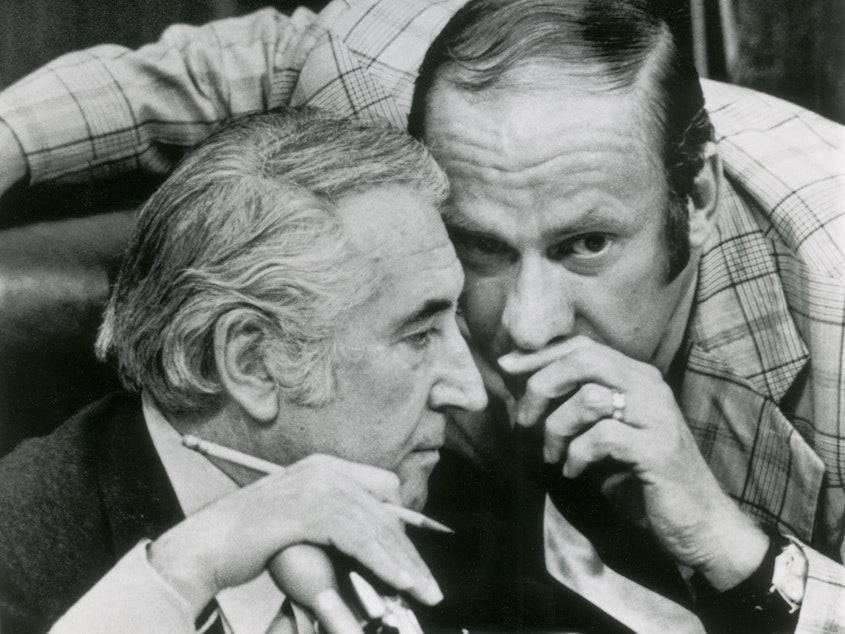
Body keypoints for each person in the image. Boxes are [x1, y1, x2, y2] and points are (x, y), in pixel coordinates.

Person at [0, 0, 842, 632]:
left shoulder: (831, 293)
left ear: (695, 199)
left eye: (585, 244)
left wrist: (734, 548)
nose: (524, 330)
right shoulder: (391, 79)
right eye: (477, 248)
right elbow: (215, 70)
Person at [0, 108, 489, 634]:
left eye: (454, 320)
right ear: (253, 363)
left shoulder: (454, 502)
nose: (473, 392)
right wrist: (180, 575)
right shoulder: (18, 555)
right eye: (418, 336)